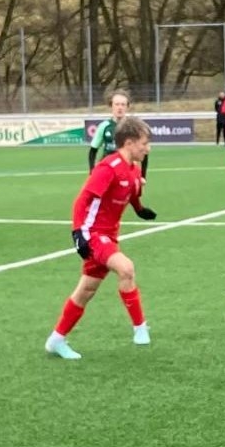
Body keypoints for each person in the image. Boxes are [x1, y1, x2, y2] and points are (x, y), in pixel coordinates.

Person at [45, 116, 158, 360]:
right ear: (129, 143)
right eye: (144, 143)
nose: (148, 149)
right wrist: (78, 233)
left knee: (86, 290)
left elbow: (131, 194)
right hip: (93, 233)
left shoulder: (133, 170)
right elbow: (82, 200)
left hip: (109, 235)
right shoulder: (108, 168)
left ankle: (56, 339)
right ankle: (140, 328)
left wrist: (140, 209)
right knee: (126, 269)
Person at [87, 88, 149, 179]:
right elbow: (93, 151)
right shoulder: (104, 126)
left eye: (123, 104)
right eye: (117, 104)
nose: (120, 107)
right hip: (107, 171)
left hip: (127, 172)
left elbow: (144, 151)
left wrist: (143, 176)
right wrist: (91, 171)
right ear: (111, 106)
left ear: (127, 107)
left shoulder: (134, 127)